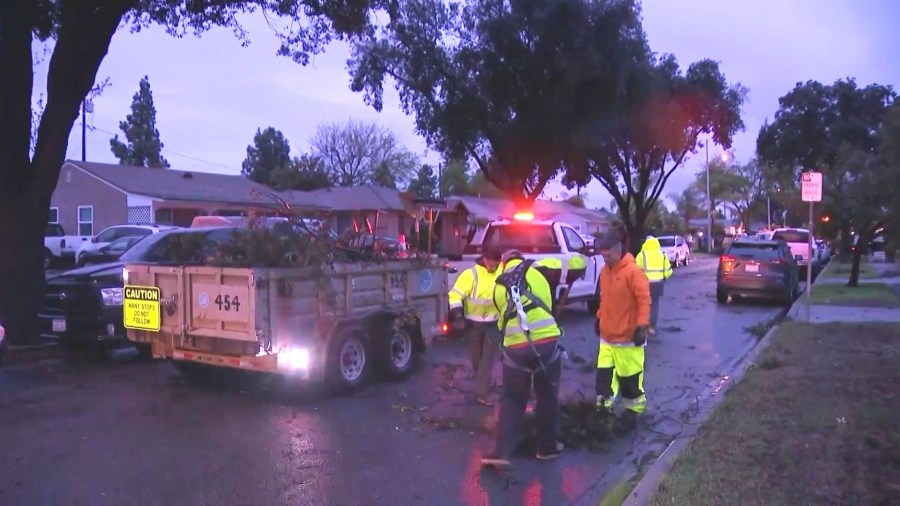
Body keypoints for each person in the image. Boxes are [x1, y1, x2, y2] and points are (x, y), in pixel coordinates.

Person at [480, 250, 564, 467]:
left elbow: (501, 321)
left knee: (512, 398)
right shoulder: (538, 276)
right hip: (545, 346)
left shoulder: (499, 285)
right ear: (521, 259)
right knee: (547, 396)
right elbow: (548, 307)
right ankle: (547, 448)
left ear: (504, 263)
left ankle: (502, 451)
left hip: (516, 349)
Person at [593, 231, 651, 430]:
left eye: (608, 255)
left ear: (618, 252)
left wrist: (642, 326)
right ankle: (603, 408)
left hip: (628, 338)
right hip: (607, 338)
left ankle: (633, 410)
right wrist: (599, 316)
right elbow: (606, 299)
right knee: (604, 378)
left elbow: (644, 301)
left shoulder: (633, 272)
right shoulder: (604, 272)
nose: (605, 259)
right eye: (603, 255)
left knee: (629, 380)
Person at [448, 248, 503, 405]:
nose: (492, 267)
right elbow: (455, 295)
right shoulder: (471, 275)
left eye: (496, 263)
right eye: (490, 262)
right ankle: (483, 384)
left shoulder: (503, 273)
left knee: (487, 360)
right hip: (473, 324)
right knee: (477, 360)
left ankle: (482, 394)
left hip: (494, 324)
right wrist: (458, 315)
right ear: (484, 259)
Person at [635, 235, 673, 335]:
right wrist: (663, 277)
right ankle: (652, 327)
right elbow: (669, 271)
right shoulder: (662, 255)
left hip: (645, 284)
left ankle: (642, 326)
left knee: (643, 304)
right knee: (655, 305)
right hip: (658, 283)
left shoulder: (641, 255)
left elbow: (636, 271)